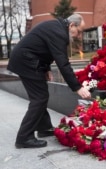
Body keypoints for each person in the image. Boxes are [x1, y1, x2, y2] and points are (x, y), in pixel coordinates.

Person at [7, 14, 91, 148]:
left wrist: (46, 69)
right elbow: (63, 63)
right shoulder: (59, 32)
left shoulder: (57, 28)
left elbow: (43, 48)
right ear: (71, 26)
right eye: (79, 31)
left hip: (26, 60)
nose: (79, 36)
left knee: (40, 96)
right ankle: (24, 137)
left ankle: (44, 128)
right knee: (39, 98)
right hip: (26, 62)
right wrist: (77, 87)